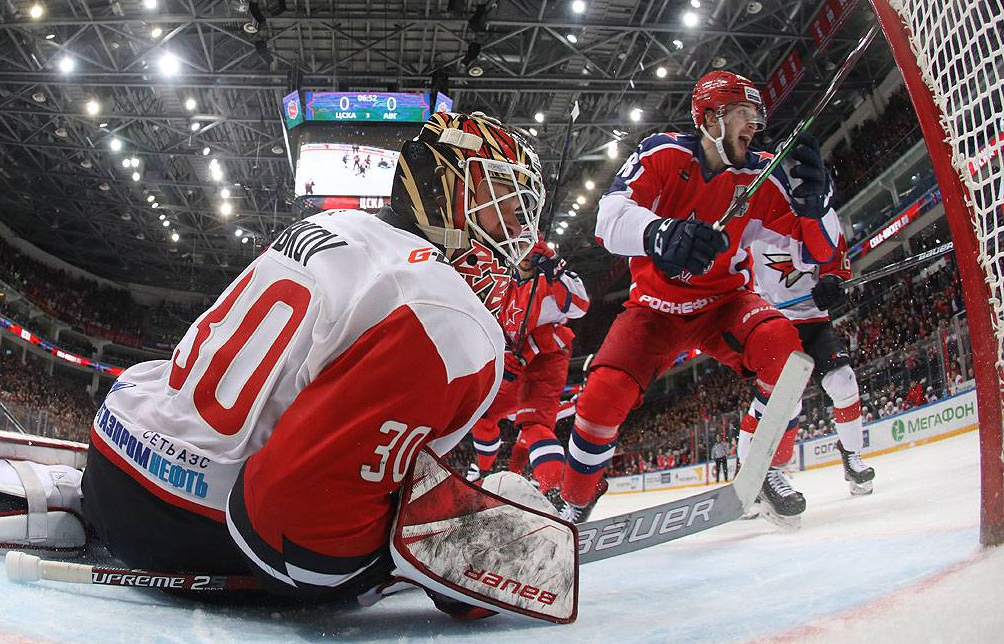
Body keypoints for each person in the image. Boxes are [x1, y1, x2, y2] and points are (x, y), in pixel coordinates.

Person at [79, 111, 577, 621]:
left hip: (114, 453)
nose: (518, 231)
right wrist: (440, 557)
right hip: (192, 523)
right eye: (504, 204)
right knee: (477, 503)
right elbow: (290, 520)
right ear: (442, 183)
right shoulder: (447, 312)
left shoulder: (328, 224)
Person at [556, 70, 841, 525]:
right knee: (600, 397)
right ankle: (573, 500)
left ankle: (765, 468)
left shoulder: (761, 175)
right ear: (711, 117)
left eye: (756, 115)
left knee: (784, 352)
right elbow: (608, 218)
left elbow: (815, 253)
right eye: (744, 113)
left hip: (725, 304)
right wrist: (660, 233)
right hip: (654, 312)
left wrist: (819, 208)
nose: (755, 124)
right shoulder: (663, 153)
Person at [743, 230, 875, 495]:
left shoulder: (816, 210)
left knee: (844, 381)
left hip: (815, 321)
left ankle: (851, 456)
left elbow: (836, 261)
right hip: (773, 324)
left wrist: (833, 281)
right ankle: (754, 474)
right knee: (785, 402)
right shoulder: (752, 219)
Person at [468, 239, 589, 492]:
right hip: (515, 363)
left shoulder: (553, 278)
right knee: (481, 413)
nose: (523, 254)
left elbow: (580, 307)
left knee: (533, 425)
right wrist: (503, 354)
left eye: (528, 247)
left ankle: (558, 494)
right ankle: (483, 475)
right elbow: (495, 327)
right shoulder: (502, 282)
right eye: (518, 247)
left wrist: (555, 269)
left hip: (545, 360)